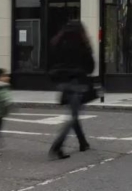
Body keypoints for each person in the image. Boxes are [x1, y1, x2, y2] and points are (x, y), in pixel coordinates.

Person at [48, 20, 95, 159]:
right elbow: (90, 66)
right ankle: (57, 146)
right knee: (74, 116)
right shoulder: (81, 44)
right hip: (77, 82)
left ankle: (83, 142)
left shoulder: (57, 42)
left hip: (62, 82)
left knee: (74, 112)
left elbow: (50, 62)